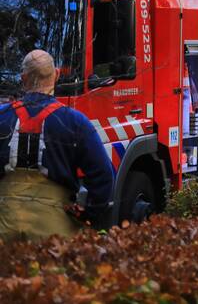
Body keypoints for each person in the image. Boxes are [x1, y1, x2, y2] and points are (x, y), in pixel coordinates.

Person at [0, 50, 114, 239]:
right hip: (53, 230)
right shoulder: (75, 122)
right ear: (57, 74)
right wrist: (88, 215)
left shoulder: (2, 117)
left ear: (22, 78)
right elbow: (103, 175)